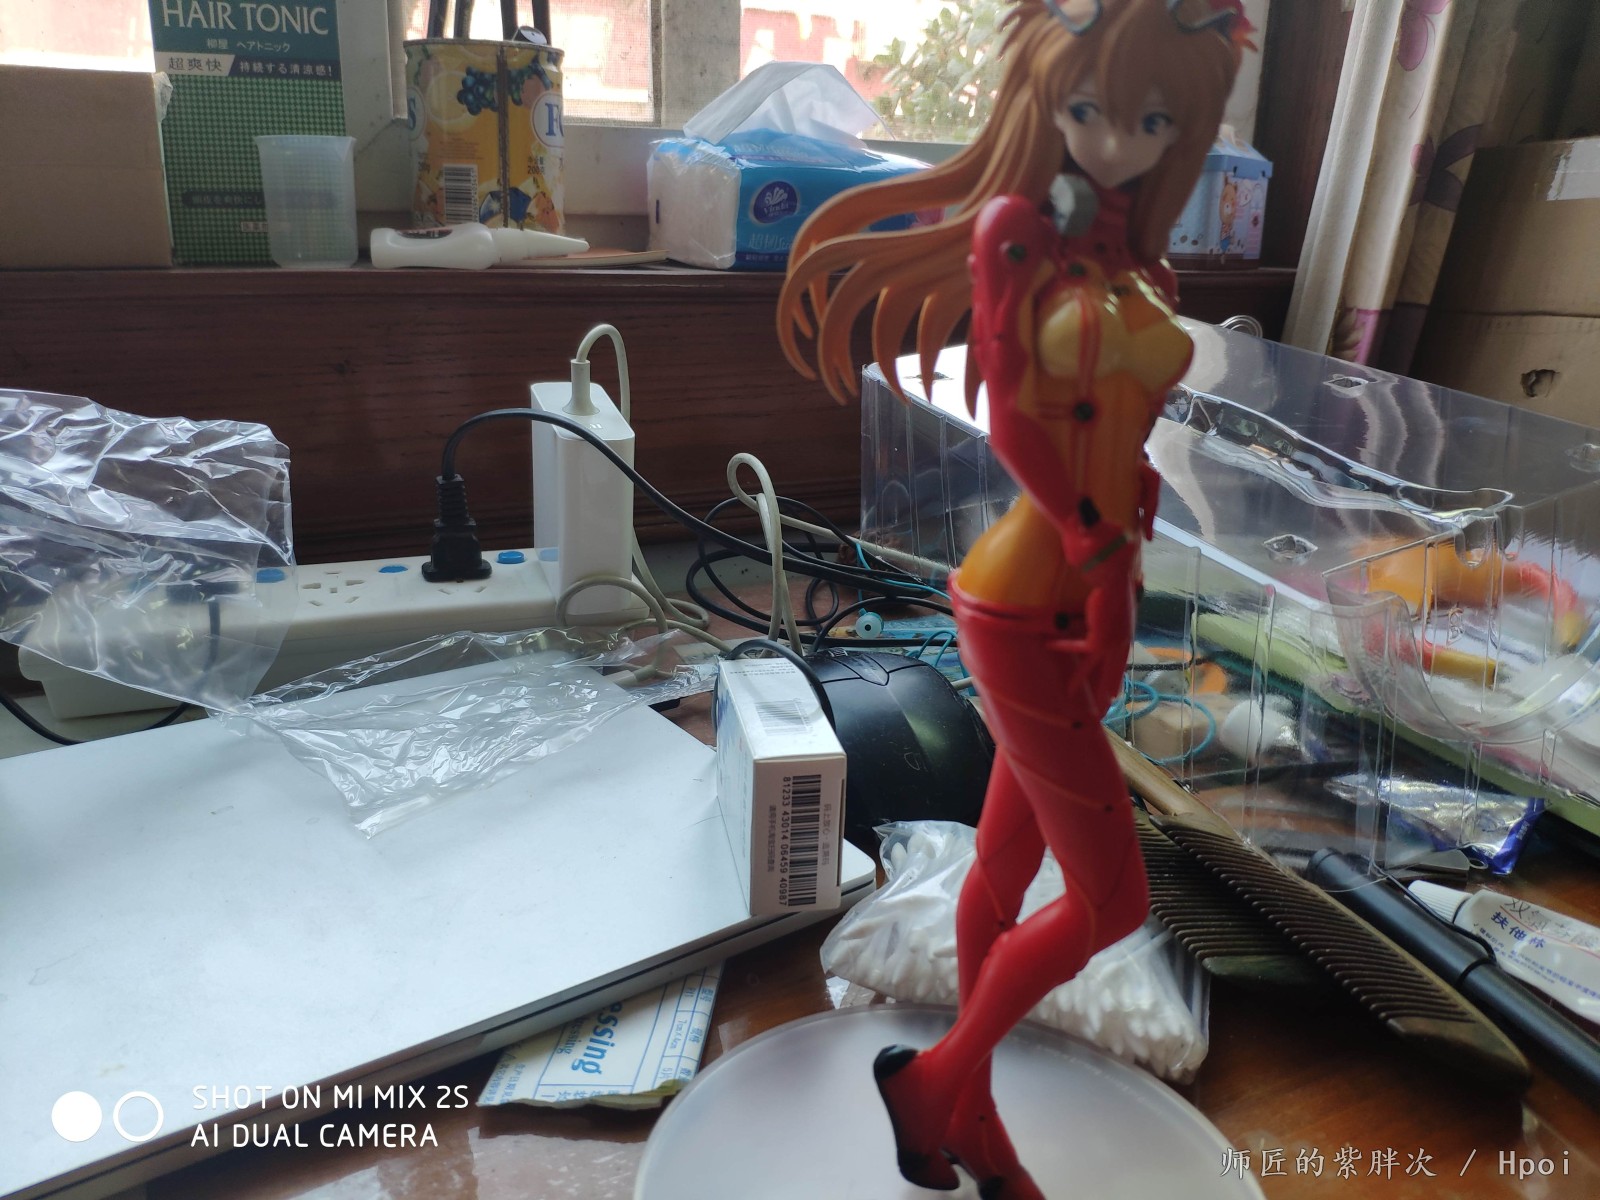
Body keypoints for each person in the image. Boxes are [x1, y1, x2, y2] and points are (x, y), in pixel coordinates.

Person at [777, 3, 1247, 1196]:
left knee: (1000, 872)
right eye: (1089, 110)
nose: (1116, 143)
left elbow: (1123, 444)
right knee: (1110, 903)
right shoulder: (1016, 236)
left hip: (1092, 597)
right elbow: (1018, 428)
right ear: (1046, 98)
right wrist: (1092, 534)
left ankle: (975, 1124)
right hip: (1022, 600)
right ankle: (935, 1084)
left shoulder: (1136, 263)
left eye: (1153, 122)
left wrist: (1115, 574)